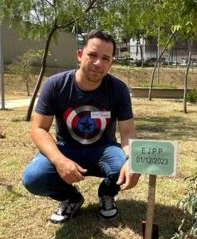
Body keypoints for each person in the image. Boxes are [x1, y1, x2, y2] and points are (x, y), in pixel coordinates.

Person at [22, 30, 140, 224]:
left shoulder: (118, 89)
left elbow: (127, 132)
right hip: (66, 148)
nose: (97, 63)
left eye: (105, 58)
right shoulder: (55, 85)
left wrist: (131, 159)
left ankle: (106, 194)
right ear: (79, 55)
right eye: (92, 55)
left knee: (124, 164)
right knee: (33, 178)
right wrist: (59, 160)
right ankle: (70, 198)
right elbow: (38, 129)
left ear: (111, 63)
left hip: (104, 149)